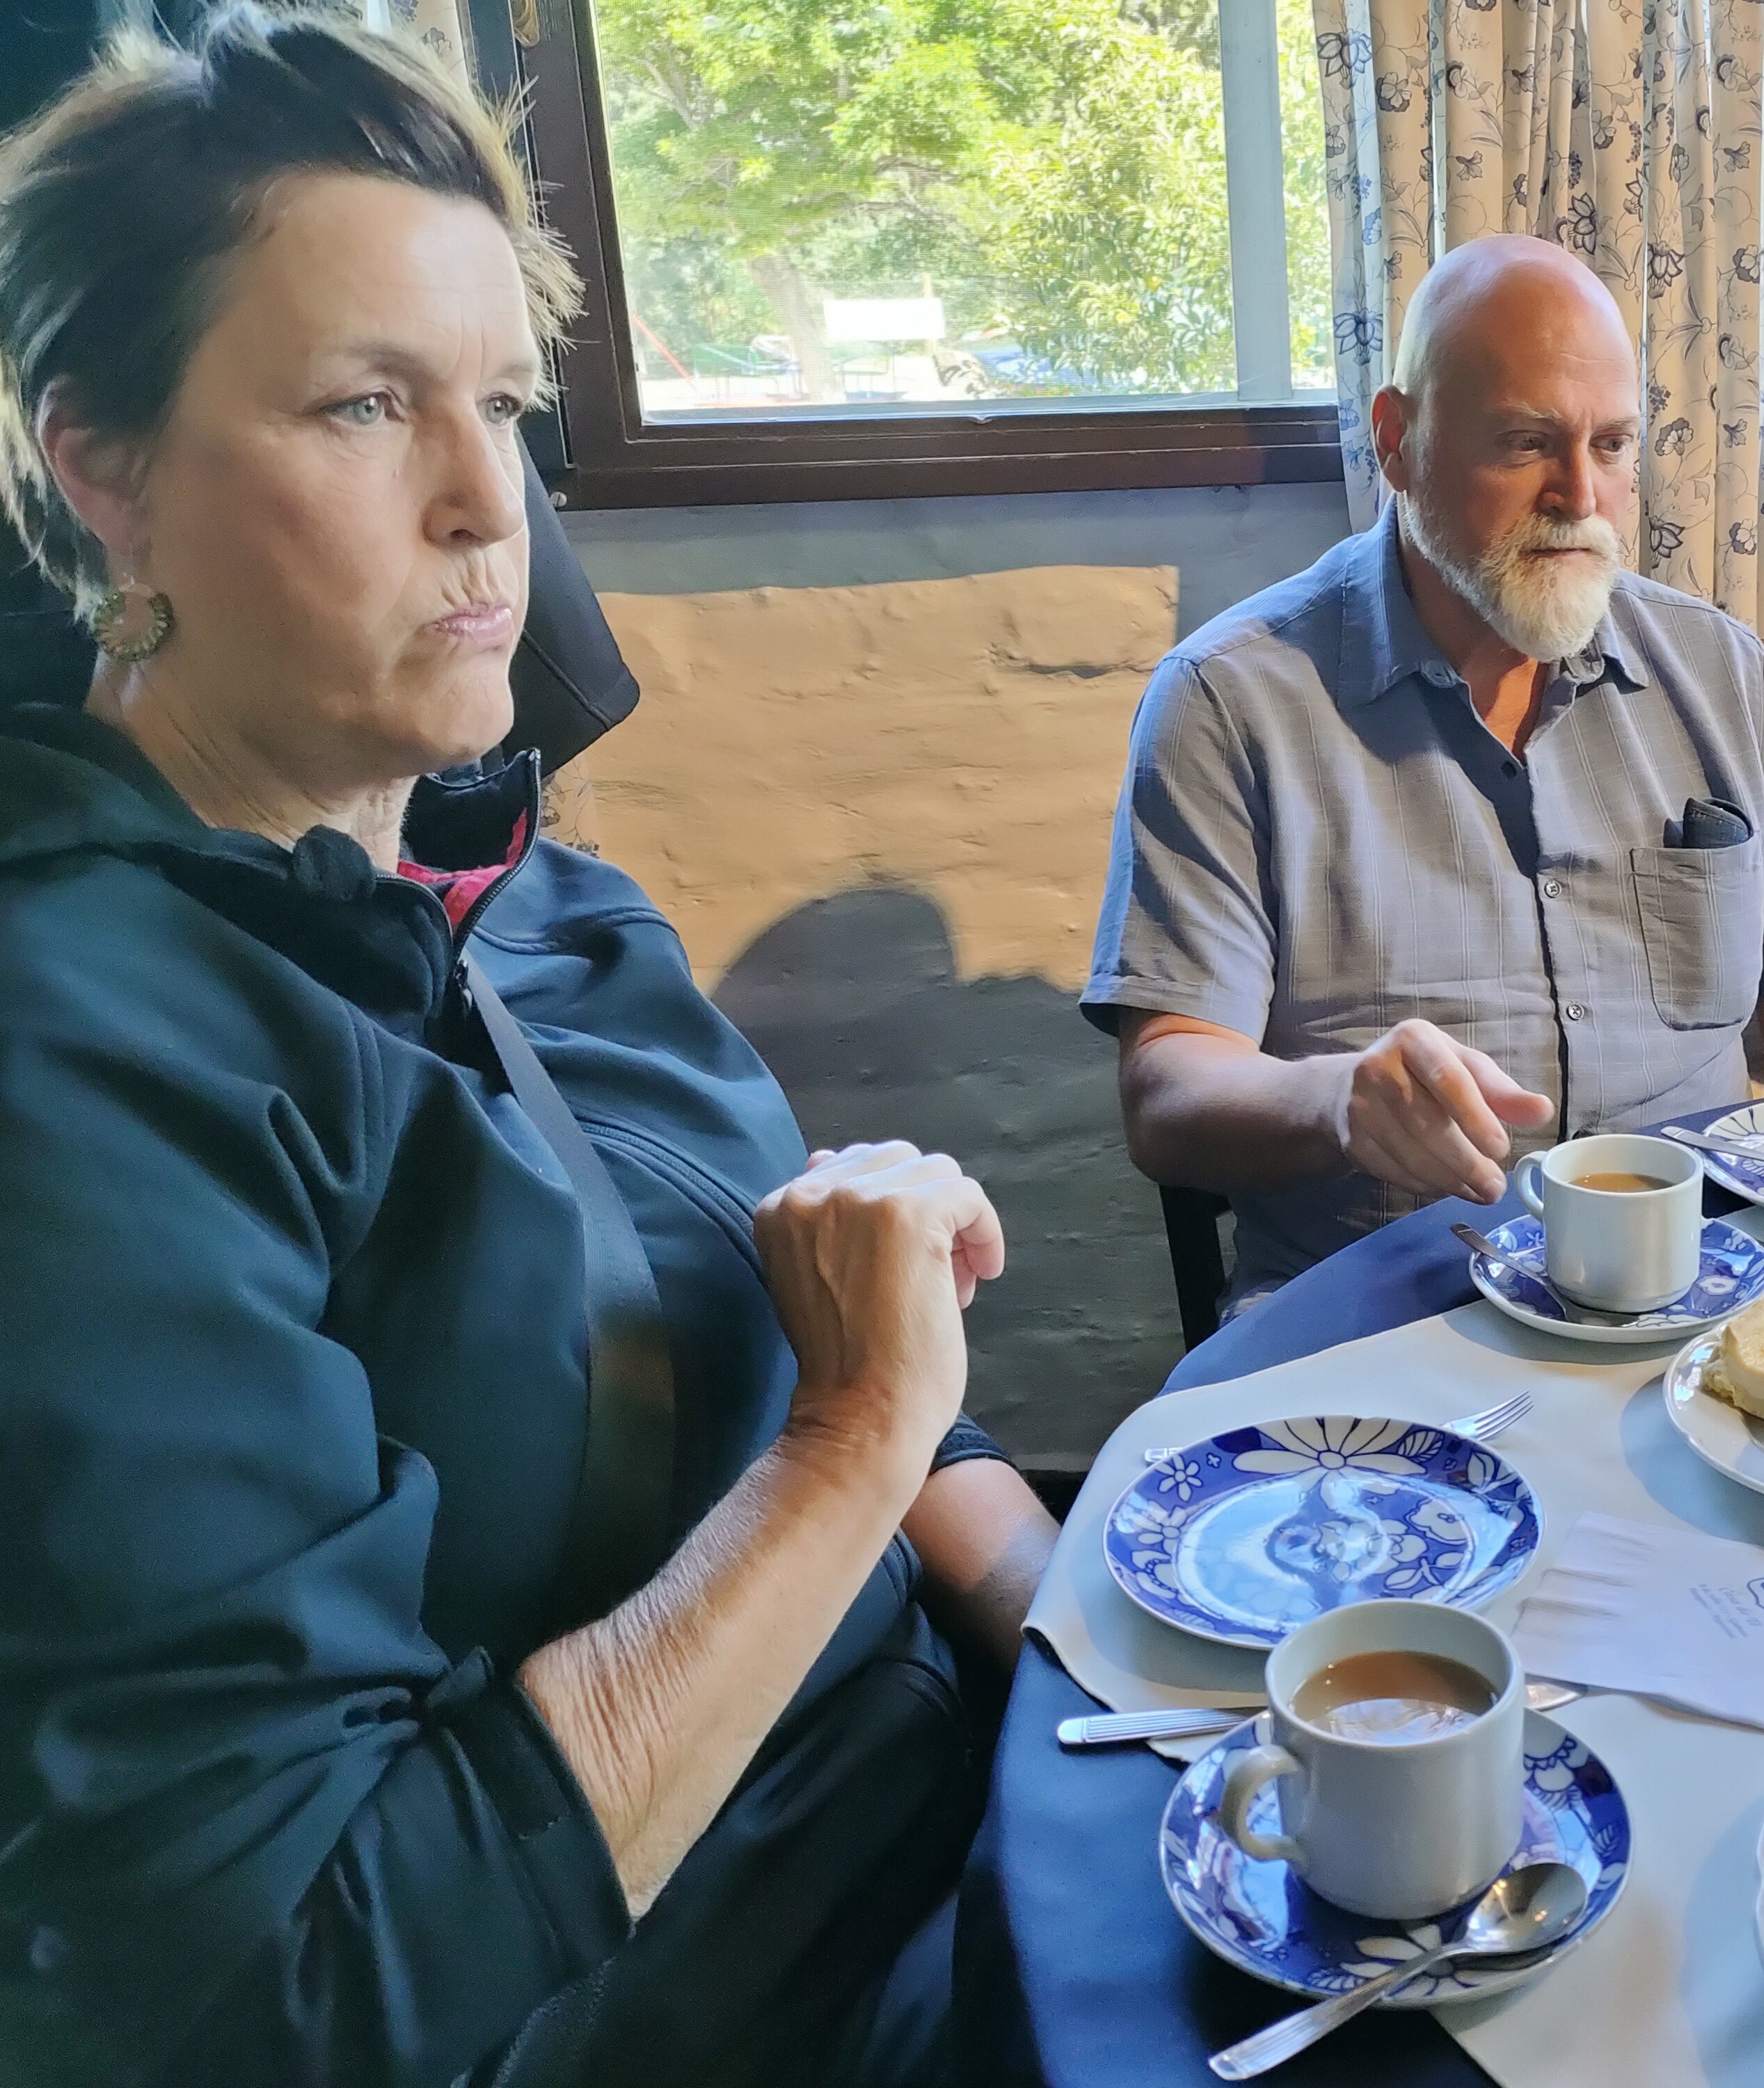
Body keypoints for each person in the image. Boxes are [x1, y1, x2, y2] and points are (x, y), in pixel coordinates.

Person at [0, 16, 1059, 2086]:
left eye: (498, 402)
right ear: (102, 475)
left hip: (983, 1818)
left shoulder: (552, 902)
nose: (490, 501)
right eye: (365, 403)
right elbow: (296, 1983)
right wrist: (848, 1448)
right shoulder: (83, 1065)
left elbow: (840, 1361)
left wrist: (1104, 1660)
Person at [1086, 234, 1764, 1309]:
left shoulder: (1715, 671)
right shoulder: (1231, 701)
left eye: (1612, 445)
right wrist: (1337, 1103)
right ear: (1398, 441)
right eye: (1527, 444)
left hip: (1704, 1296)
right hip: (1390, 1316)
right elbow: (1167, 1094)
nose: (1582, 495)